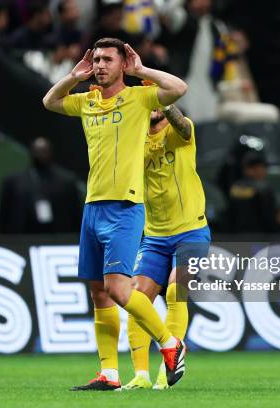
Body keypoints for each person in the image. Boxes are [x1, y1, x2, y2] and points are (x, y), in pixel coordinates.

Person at [42, 37, 188, 390]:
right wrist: (74, 76)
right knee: (98, 291)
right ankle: (109, 373)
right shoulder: (86, 101)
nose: (101, 65)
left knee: (120, 290)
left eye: (109, 59)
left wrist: (141, 70)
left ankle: (169, 343)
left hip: (125, 206)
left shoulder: (141, 97)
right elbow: (50, 101)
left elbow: (179, 87)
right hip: (93, 206)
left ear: (123, 64)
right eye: (97, 59)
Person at [122, 103, 209, 390]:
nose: (151, 109)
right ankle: (141, 377)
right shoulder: (136, 141)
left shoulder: (181, 132)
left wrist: (167, 102)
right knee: (137, 300)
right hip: (155, 236)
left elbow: (182, 123)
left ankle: (167, 371)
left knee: (176, 290)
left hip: (191, 231)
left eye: (157, 105)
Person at [0, 137, 82, 234]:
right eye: (38, 151)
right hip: (23, 237)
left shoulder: (67, 182)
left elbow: (76, 216)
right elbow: (3, 217)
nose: (41, 155)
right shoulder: (14, 182)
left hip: (59, 237)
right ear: (32, 152)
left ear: (50, 152)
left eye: (44, 151)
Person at [226, 152, 280, 234]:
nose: (260, 171)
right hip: (241, 235)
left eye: (262, 168)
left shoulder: (267, 188)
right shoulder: (238, 187)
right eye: (255, 168)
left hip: (264, 236)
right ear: (246, 170)